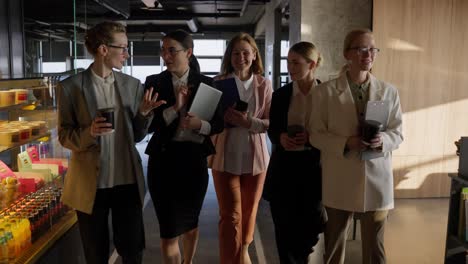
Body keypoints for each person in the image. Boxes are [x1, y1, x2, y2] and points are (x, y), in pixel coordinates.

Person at [58, 21, 165, 264]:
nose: (127, 54)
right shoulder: (70, 88)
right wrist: (90, 132)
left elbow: (137, 135)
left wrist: (144, 114)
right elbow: (65, 135)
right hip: (89, 183)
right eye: (123, 48)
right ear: (103, 49)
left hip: (127, 180)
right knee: (95, 253)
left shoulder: (132, 85)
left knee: (132, 251)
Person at [309, 29, 403, 264]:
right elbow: (315, 135)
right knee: (334, 247)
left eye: (372, 49)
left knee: (375, 250)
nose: (368, 54)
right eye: (361, 49)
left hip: (376, 178)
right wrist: (345, 142)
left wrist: (383, 140)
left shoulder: (388, 91)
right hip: (340, 178)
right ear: (346, 54)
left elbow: (398, 133)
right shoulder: (325, 92)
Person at [144, 29, 224, 264]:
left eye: (172, 50)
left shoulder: (207, 84)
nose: (165, 55)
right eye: (163, 50)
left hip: (193, 164)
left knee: (190, 225)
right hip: (163, 164)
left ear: (188, 52)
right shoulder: (153, 83)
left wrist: (201, 125)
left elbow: (218, 123)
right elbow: (148, 126)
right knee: (169, 232)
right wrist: (174, 109)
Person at [209, 32, 272, 264]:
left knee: (249, 211)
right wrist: (223, 119)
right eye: (236, 53)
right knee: (230, 216)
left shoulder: (264, 84)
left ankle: (244, 248)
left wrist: (248, 122)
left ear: (254, 55)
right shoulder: (219, 82)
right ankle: (230, 260)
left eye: (246, 52)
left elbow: (268, 123)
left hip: (256, 160)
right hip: (224, 158)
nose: (241, 57)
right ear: (229, 56)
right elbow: (208, 121)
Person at [263, 41, 327, 264]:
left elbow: (333, 132)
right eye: (288, 62)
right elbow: (272, 129)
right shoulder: (281, 95)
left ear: (311, 64)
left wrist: (312, 139)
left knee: (309, 234)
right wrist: (279, 137)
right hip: (283, 172)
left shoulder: (327, 94)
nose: (290, 68)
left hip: (314, 172)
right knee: (284, 235)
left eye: (295, 63)